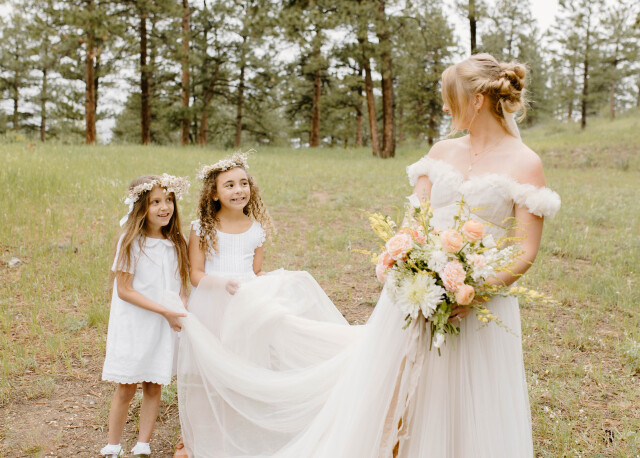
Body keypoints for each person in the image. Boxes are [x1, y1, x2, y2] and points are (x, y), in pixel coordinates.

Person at [169, 53, 560, 457]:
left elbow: (524, 249)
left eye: (450, 98)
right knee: (394, 391)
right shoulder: (442, 152)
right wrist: (397, 259)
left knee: (469, 401)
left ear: (476, 100)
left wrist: (474, 292)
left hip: (478, 303)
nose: (445, 108)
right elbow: (413, 222)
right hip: (415, 293)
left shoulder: (525, 162)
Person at [100, 174, 190, 458]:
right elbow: (125, 290)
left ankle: (143, 444)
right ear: (141, 207)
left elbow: (182, 284)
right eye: (156, 202)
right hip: (135, 324)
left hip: (163, 324)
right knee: (126, 387)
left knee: (153, 385)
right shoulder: (131, 242)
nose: (165, 207)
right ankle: (113, 444)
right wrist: (165, 311)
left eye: (169, 200)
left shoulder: (177, 242)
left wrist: (180, 307)